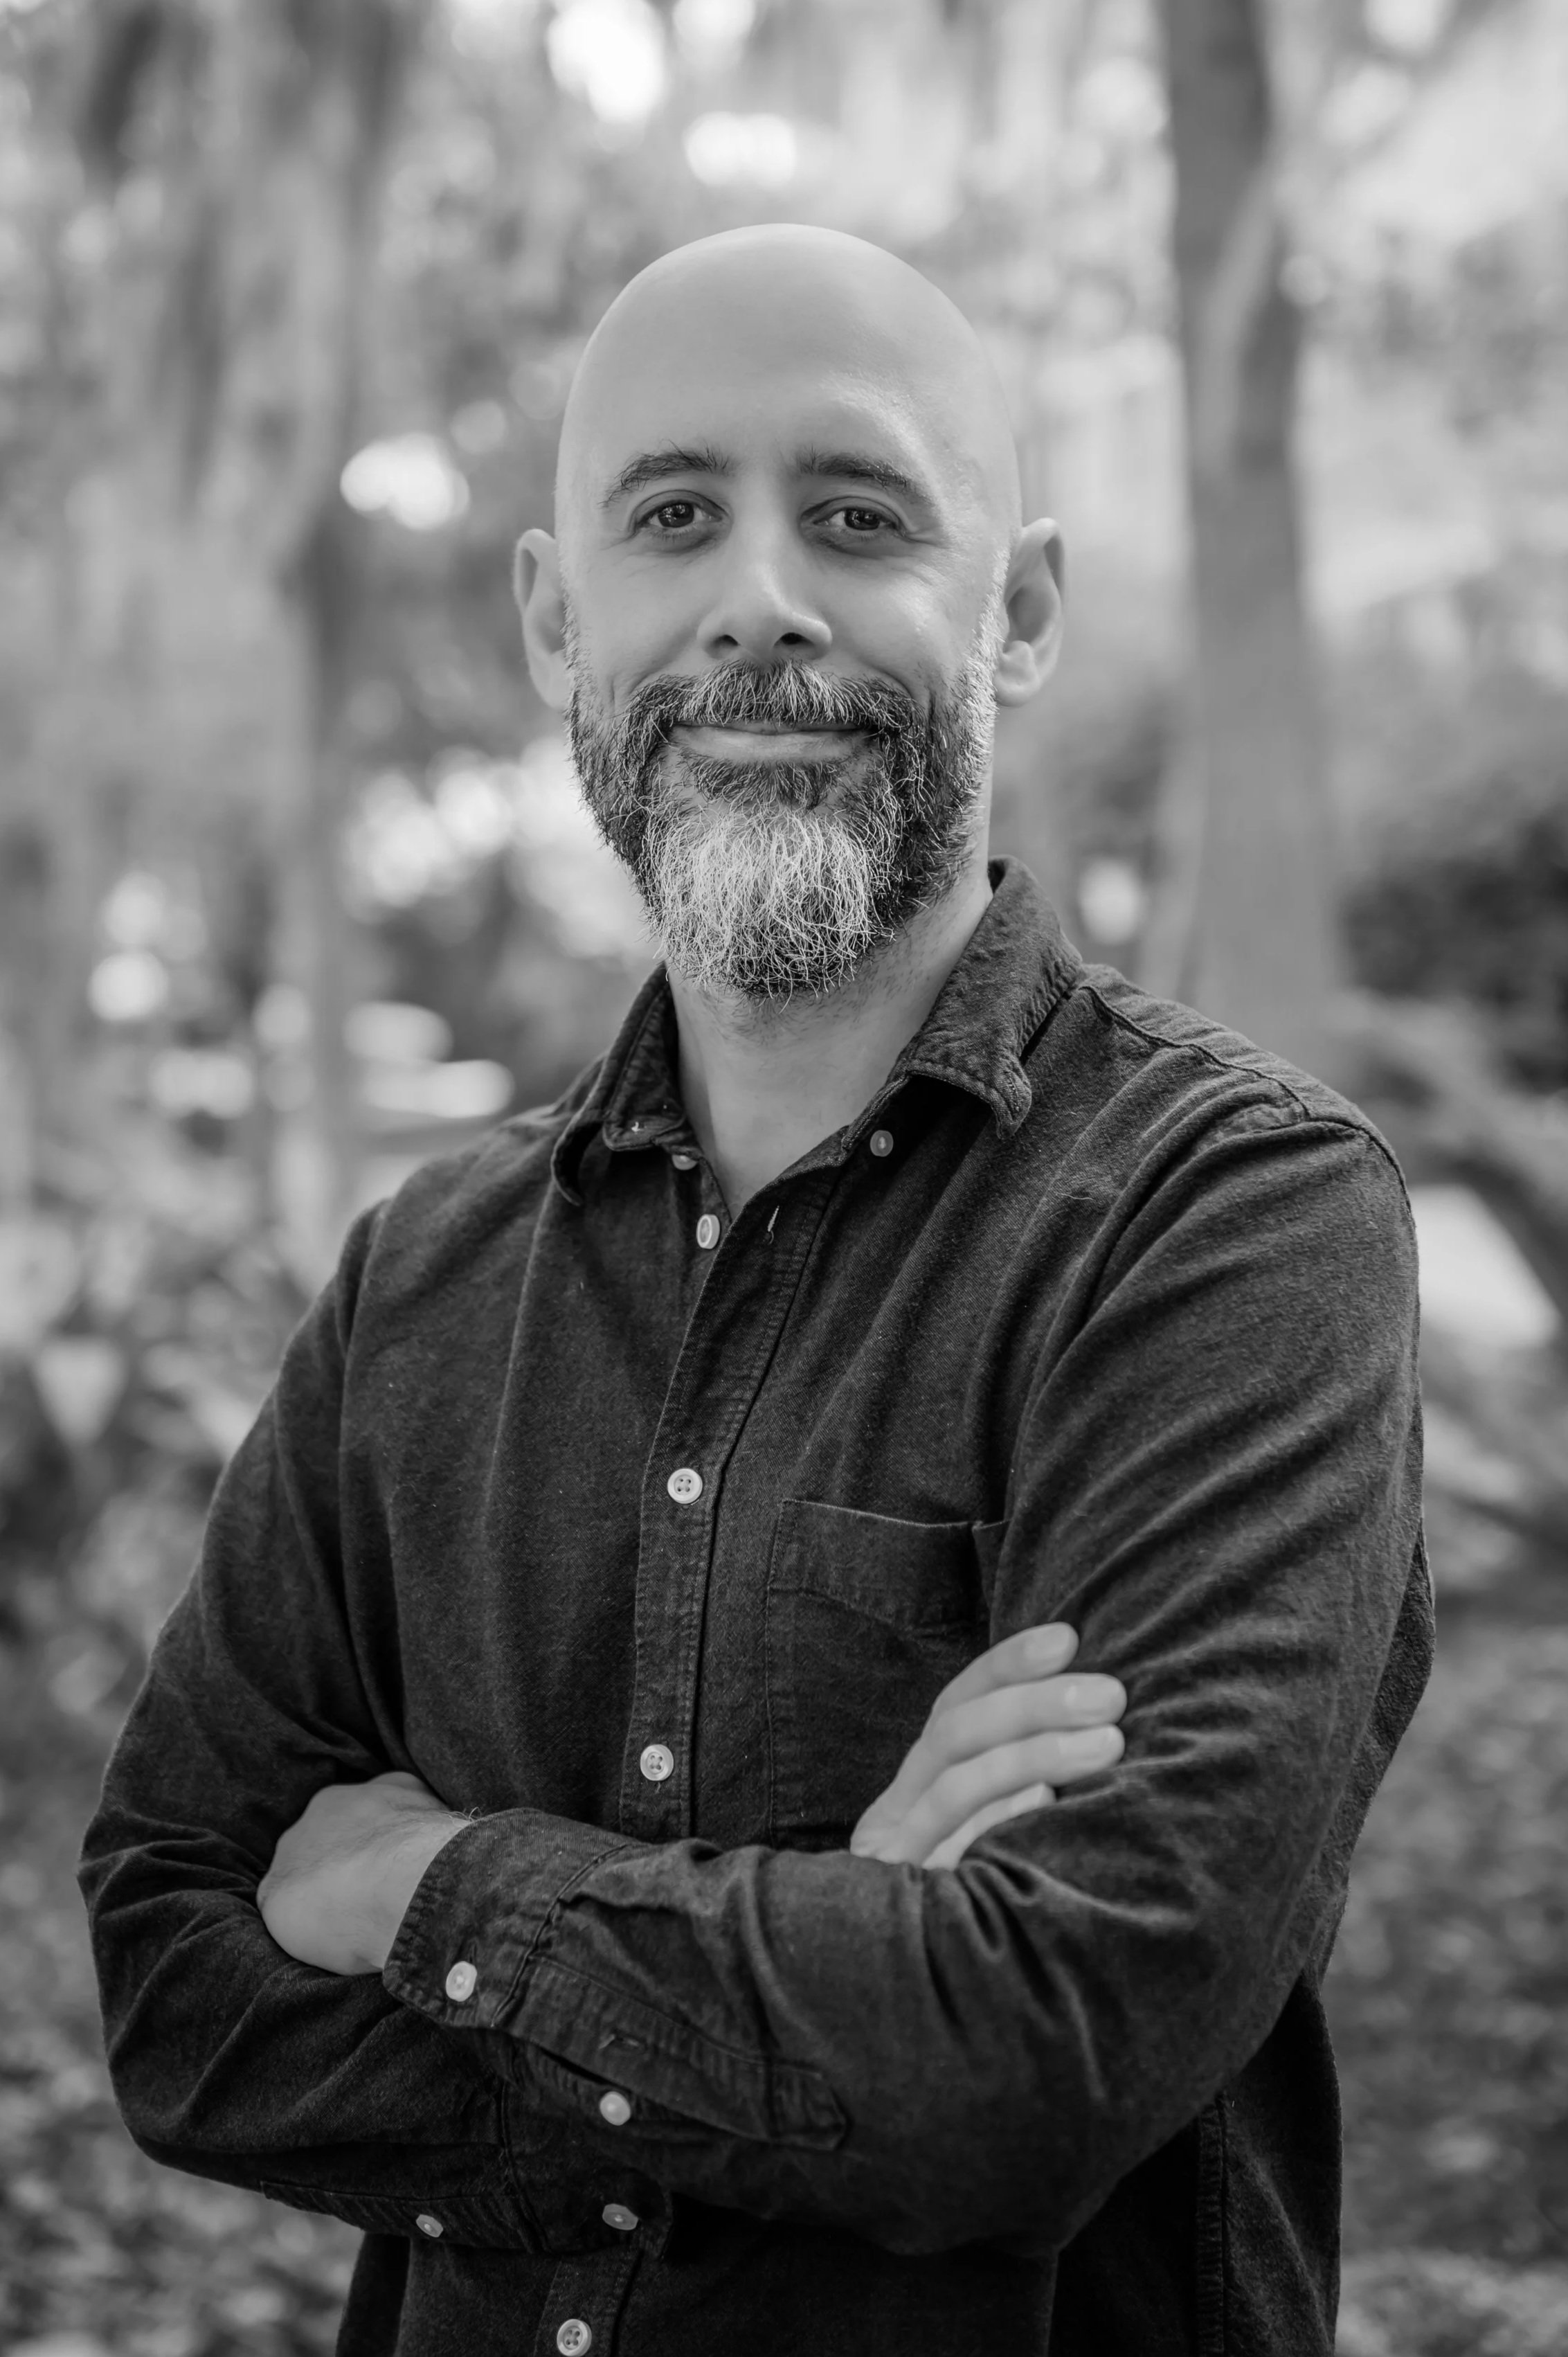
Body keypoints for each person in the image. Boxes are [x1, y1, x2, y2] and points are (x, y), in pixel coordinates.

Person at [81, 227, 1430, 2357]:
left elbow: (1047, 2054)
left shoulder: (1228, 1218)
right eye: (673, 516)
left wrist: (429, 1889)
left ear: (1020, 612)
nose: (760, 600)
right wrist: (834, 1981)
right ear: (557, 618)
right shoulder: (421, 1279)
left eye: (860, 516)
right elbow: (175, 1983)